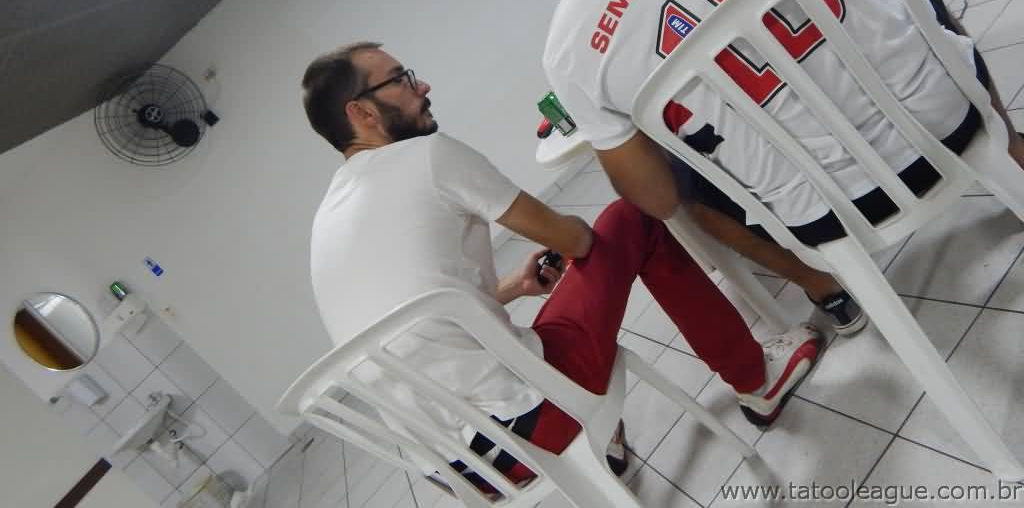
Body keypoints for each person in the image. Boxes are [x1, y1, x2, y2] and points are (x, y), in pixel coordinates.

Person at [473, 0, 1024, 335]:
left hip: (833, 211)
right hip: (945, 117)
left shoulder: (569, 47)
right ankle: (1013, 153)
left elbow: (657, 199)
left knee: (681, 180)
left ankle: (823, 286)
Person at [301, 42, 822, 491]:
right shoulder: (427, 156)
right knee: (630, 218)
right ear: (362, 113)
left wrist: (514, 285)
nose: (423, 86)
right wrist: (572, 242)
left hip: (469, 474)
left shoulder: (329, 217)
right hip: (531, 427)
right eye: (401, 79)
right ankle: (758, 380)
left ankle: (605, 450)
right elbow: (574, 239)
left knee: (526, 339)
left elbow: (417, 323)